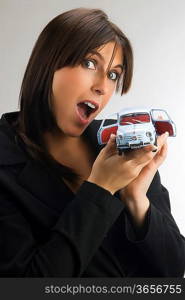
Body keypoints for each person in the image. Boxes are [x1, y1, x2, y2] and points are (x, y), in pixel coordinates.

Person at [0, 7, 184, 278]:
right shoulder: (5, 163)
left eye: (113, 74)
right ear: (48, 63)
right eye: (89, 63)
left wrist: (137, 201)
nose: (103, 86)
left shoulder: (122, 143)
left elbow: (173, 270)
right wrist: (100, 189)